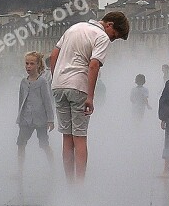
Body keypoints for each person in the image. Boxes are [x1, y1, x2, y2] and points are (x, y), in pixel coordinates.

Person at [48, 11, 129, 183]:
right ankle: (79, 186)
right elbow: (93, 65)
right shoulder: (101, 37)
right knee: (80, 137)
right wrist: (90, 97)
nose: (112, 40)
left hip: (58, 86)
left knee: (67, 137)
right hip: (78, 86)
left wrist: (56, 78)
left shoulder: (74, 28)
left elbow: (53, 56)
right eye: (114, 36)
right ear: (110, 25)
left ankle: (69, 183)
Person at [16, 52, 55, 178]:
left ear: (38, 65)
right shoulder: (23, 82)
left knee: (44, 144)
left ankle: (54, 168)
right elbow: (21, 101)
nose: (28, 66)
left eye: (32, 64)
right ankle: (20, 171)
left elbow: (47, 101)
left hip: (40, 119)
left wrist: (50, 119)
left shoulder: (42, 82)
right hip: (26, 119)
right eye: (27, 64)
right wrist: (19, 117)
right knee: (21, 144)